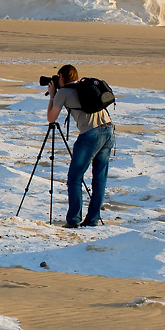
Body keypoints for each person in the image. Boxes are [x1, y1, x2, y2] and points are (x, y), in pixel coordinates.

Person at [46, 64, 115, 228]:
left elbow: (51, 118)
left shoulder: (63, 92)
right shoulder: (85, 87)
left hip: (91, 135)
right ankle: (92, 220)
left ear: (61, 77)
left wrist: (52, 96)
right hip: (109, 130)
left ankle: (73, 220)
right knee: (99, 179)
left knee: (74, 178)